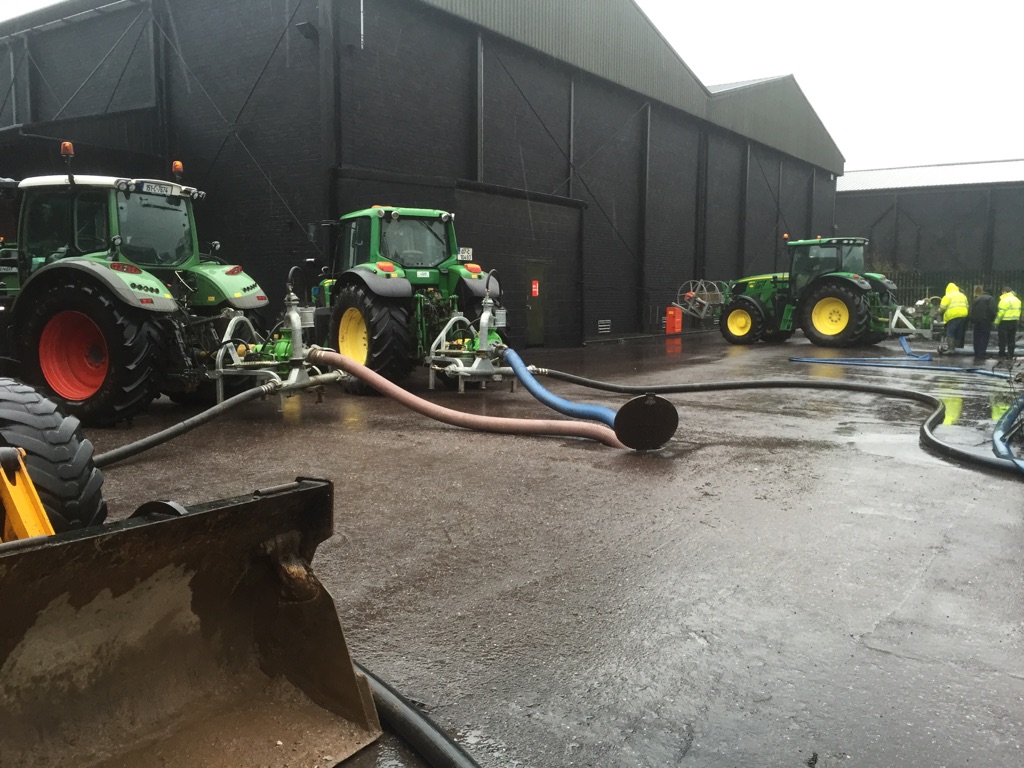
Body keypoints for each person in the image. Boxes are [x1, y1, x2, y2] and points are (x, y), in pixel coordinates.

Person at [938, 282, 969, 353]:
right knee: (958, 332)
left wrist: (939, 312)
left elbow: (942, 308)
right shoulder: (962, 295)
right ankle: (957, 349)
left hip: (952, 316)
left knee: (950, 333)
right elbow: (967, 306)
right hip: (963, 315)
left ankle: (951, 349)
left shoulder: (948, 296)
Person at [970, 286, 997, 361]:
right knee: (984, 337)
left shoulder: (977, 298)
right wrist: (992, 319)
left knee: (976, 336)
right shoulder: (990, 298)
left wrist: (973, 319)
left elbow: (972, 309)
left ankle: (976, 353)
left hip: (976, 320)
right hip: (985, 320)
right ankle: (981, 354)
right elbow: (992, 310)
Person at [995, 285, 1021, 360]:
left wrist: (996, 322)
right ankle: (1010, 355)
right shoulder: (1017, 300)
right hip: (1014, 321)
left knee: (1002, 339)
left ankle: (1001, 354)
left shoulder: (1004, 300)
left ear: (1004, 292)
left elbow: (1001, 313)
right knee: (1011, 339)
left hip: (1004, 322)